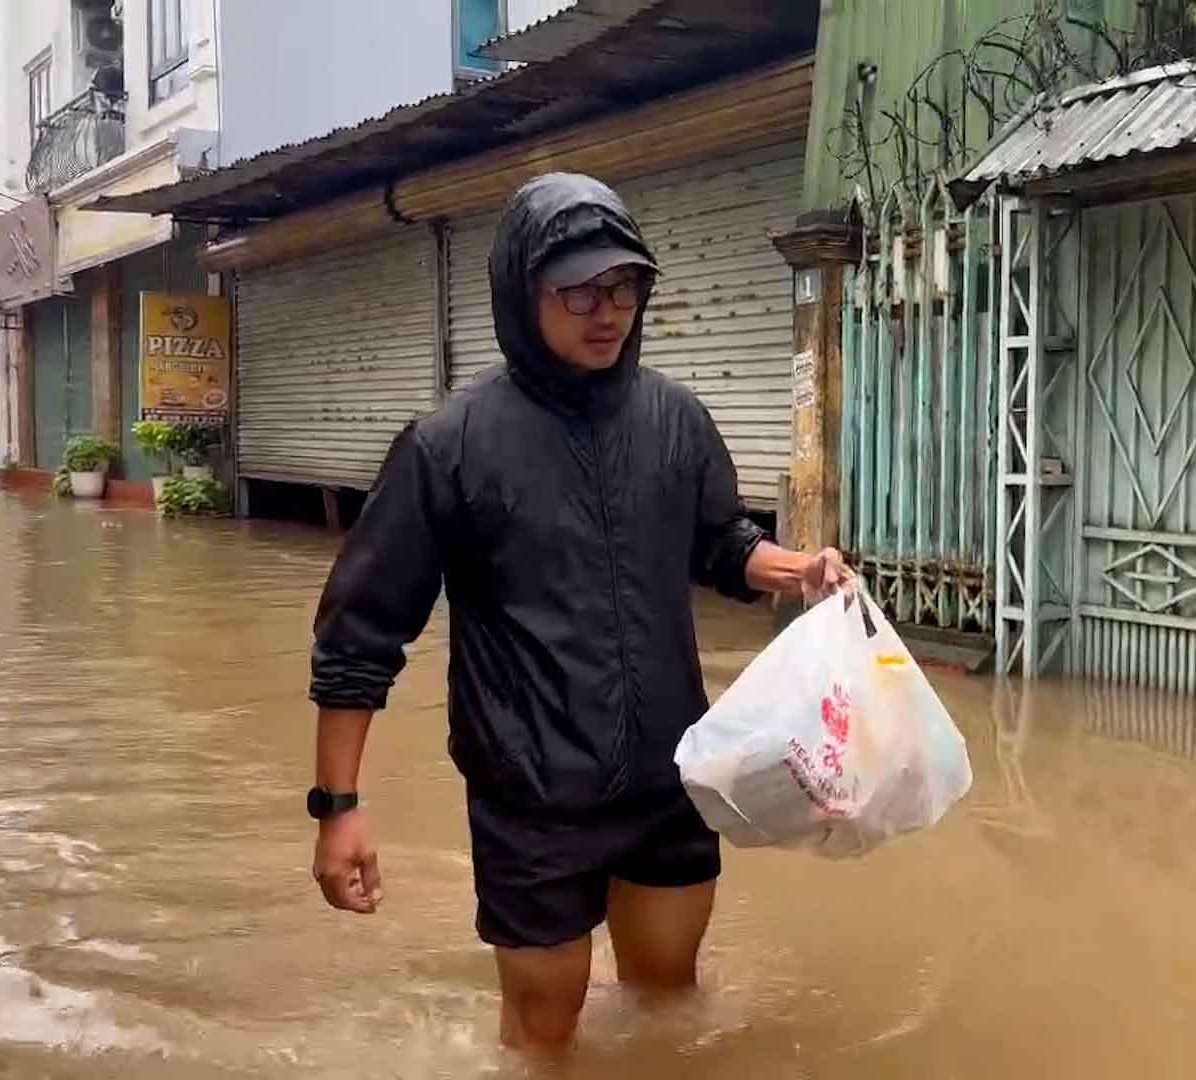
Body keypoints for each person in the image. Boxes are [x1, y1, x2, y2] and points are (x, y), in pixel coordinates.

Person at [305, 173, 848, 1055]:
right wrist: (339, 807)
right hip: (532, 802)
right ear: (524, 293)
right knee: (541, 1031)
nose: (609, 312)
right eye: (581, 291)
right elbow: (361, 634)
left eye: (625, 287)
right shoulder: (450, 445)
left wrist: (796, 569)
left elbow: (719, 542)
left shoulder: (675, 420)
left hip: (672, 783)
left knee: (668, 1011)